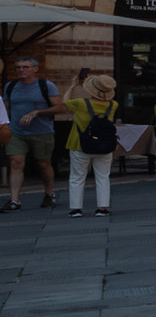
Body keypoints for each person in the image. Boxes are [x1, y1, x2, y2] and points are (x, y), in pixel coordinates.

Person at [4, 54, 65, 211]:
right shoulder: (10, 86)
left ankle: (49, 193)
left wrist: (37, 112)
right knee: (15, 163)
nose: (21, 70)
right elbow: (5, 108)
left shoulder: (46, 86)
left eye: (25, 67)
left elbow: (60, 107)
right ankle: (14, 200)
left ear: (35, 69)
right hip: (16, 132)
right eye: (18, 68)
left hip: (42, 131)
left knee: (43, 164)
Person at [64, 73, 118, 217]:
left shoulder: (81, 103)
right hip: (104, 144)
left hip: (80, 143)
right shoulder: (113, 105)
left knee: (77, 177)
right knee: (103, 177)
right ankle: (102, 208)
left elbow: (66, 101)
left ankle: (76, 208)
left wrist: (74, 85)